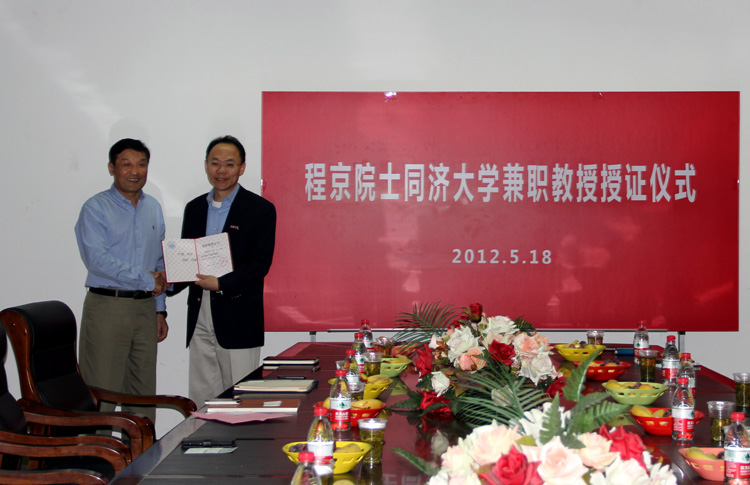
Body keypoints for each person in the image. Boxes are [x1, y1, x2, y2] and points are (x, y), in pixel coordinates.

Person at [170, 135, 276, 406]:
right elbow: (188, 259)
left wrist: (221, 283)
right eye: (215, 163)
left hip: (238, 312)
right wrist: (167, 280)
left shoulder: (260, 210)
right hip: (200, 309)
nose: (221, 170)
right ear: (206, 165)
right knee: (203, 394)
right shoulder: (194, 208)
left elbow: (259, 264)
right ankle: (203, 434)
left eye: (229, 164)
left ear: (242, 168)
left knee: (242, 396)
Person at [74, 138, 168, 422]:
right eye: (126, 164)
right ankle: (96, 449)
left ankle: (142, 448)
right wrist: (147, 281)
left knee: (143, 392)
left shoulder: (153, 207)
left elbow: (160, 261)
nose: (134, 171)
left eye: (141, 164)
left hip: (145, 309)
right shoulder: (96, 208)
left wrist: (160, 310)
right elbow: (97, 261)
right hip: (108, 307)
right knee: (102, 390)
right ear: (111, 168)